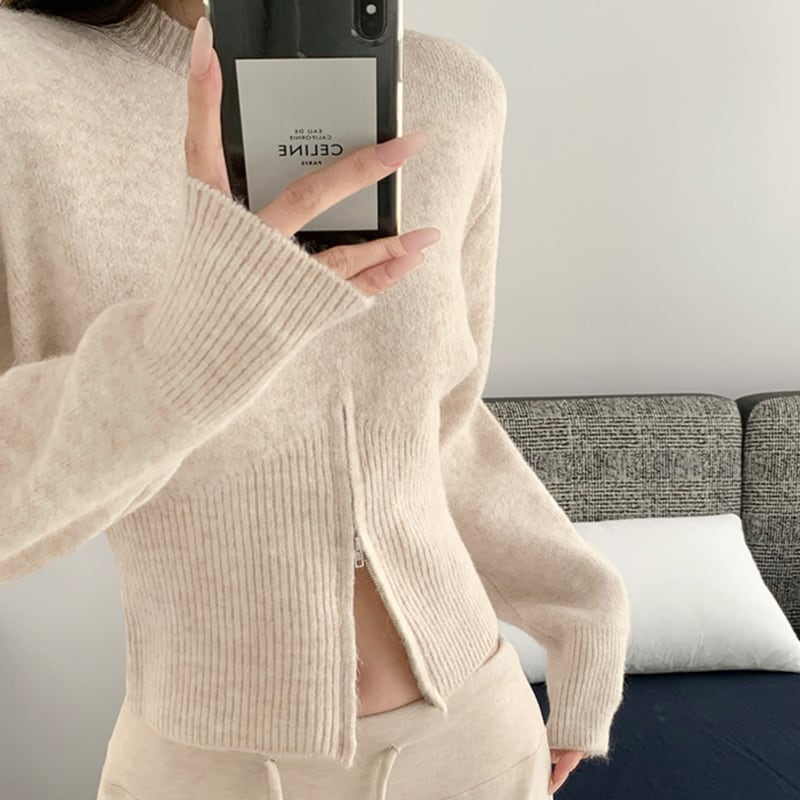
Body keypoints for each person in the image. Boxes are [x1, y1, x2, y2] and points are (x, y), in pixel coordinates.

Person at [0, 1, 631, 797]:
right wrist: (193, 345)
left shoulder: (452, 90)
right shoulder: (17, 84)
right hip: (210, 771)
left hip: (475, 742)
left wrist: (585, 608)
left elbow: (439, 429)